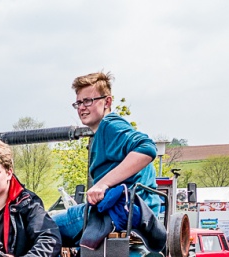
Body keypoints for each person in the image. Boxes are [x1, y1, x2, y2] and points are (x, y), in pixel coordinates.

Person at [51, 71, 161, 246]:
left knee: (44, 229)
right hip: (128, 210)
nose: (82, 107)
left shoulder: (110, 125)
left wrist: (103, 184)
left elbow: (147, 148)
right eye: (78, 102)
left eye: (88, 101)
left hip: (122, 212)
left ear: (107, 101)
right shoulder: (105, 132)